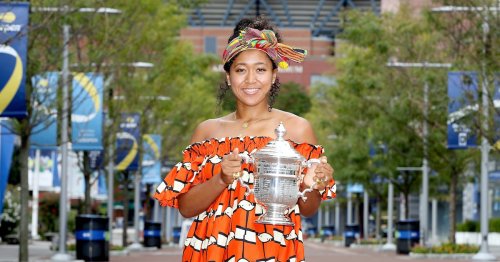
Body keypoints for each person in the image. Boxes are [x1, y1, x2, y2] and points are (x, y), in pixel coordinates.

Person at [154, 16, 336, 262]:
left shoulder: (298, 129)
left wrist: (314, 183)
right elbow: (186, 208)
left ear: (273, 75)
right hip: (210, 251)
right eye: (241, 70)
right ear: (229, 77)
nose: (251, 80)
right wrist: (221, 178)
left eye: (260, 69)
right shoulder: (207, 132)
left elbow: (308, 208)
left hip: (273, 251)